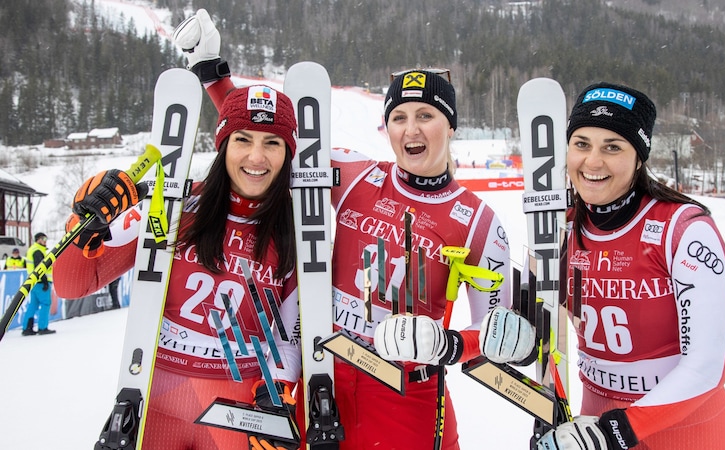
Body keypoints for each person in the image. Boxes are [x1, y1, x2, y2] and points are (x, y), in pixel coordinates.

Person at [175, 10, 512, 449]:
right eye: (399, 116)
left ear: (451, 125)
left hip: (406, 396)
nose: (411, 129)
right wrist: (213, 76)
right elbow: (270, 138)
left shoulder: (480, 221)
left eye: (426, 115)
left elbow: (500, 333)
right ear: (387, 126)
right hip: (323, 380)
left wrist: (446, 344)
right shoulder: (355, 175)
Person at [479, 82, 725, 449]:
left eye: (612, 147)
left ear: (639, 156)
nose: (593, 162)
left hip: (679, 427)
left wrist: (616, 431)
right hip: (591, 419)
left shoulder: (683, 231)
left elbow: (705, 368)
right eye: (581, 144)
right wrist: (514, 338)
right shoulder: (560, 228)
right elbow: (539, 326)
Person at [52, 76, 302, 448]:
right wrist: (85, 222)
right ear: (222, 144)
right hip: (158, 407)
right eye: (243, 139)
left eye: (272, 143)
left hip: (237, 415)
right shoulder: (175, 205)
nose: (256, 157)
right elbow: (73, 284)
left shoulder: (295, 232)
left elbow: (289, 332)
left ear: (287, 152)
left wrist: (277, 392)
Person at [21, 233, 56, 336]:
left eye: (46, 238)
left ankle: (27, 327)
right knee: (46, 304)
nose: (45, 241)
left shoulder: (34, 249)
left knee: (33, 304)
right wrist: (45, 282)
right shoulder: (38, 250)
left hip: (34, 282)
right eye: (43, 239)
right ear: (38, 240)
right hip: (41, 282)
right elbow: (39, 267)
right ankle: (42, 327)